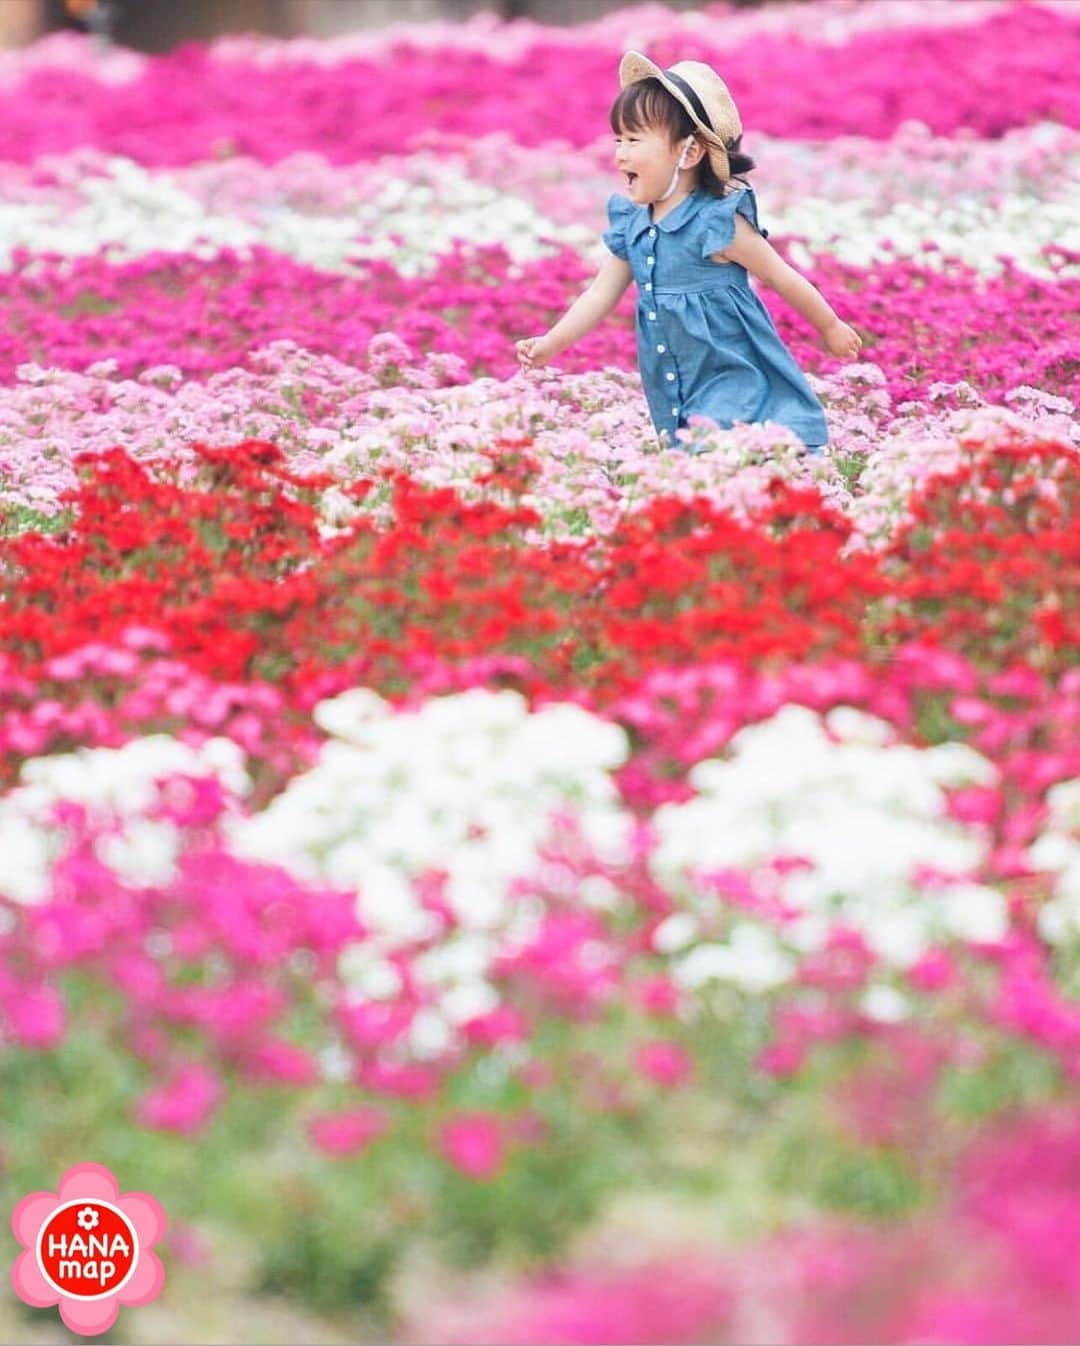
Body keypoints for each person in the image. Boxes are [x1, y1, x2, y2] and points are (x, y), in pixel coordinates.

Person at [515, 52, 863, 452]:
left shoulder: (718, 225)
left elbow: (780, 276)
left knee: (714, 449)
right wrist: (551, 343)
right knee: (696, 455)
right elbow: (599, 293)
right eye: (618, 139)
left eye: (634, 139)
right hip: (674, 373)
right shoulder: (633, 223)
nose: (620, 153)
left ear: (689, 153)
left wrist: (830, 326)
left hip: (731, 371)